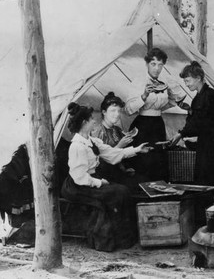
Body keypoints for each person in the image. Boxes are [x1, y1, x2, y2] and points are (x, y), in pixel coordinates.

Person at [61, 102, 151, 251]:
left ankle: (123, 238)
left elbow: (112, 154)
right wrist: (99, 182)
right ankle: (109, 240)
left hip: (89, 180)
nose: (94, 121)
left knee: (123, 191)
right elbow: (79, 177)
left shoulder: (91, 141)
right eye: (91, 119)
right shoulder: (77, 146)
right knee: (118, 193)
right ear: (84, 123)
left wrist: (137, 150)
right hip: (77, 186)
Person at [169, 61, 214, 206]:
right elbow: (195, 120)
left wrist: (182, 134)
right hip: (208, 140)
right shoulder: (198, 98)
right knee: (205, 176)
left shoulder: (210, 95)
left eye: (188, 80)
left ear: (198, 78)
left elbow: (201, 121)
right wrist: (186, 132)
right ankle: (207, 212)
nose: (186, 84)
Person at [125, 47, 186, 181]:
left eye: (160, 65)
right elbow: (128, 110)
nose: (157, 68)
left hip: (158, 124)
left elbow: (170, 103)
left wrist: (170, 92)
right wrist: (144, 95)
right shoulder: (139, 81)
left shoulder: (164, 82)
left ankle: (158, 194)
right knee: (144, 161)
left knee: (158, 160)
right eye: (153, 64)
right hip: (142, 125)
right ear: (147, 64)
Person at [91, 92, 148, 191]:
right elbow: (101, 160)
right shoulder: (98, 131)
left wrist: (125, 169)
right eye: (113, 111)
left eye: (119, 111)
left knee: (144, 180)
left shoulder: (117, 129)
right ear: (104, 112)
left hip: (118, 171)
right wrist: (120, 145)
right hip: (104, 175)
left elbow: (123, 155)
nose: (117, 114)